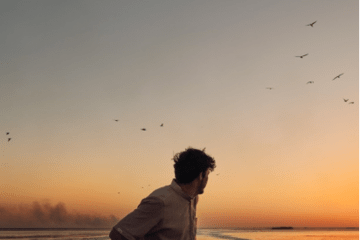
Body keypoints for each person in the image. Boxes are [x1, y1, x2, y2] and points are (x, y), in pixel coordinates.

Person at [109, 147, 216, 240]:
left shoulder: (193, 198)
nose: (207, 179)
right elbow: (119, 234)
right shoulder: (160, 201)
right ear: (201, 175)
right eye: (207, 174)